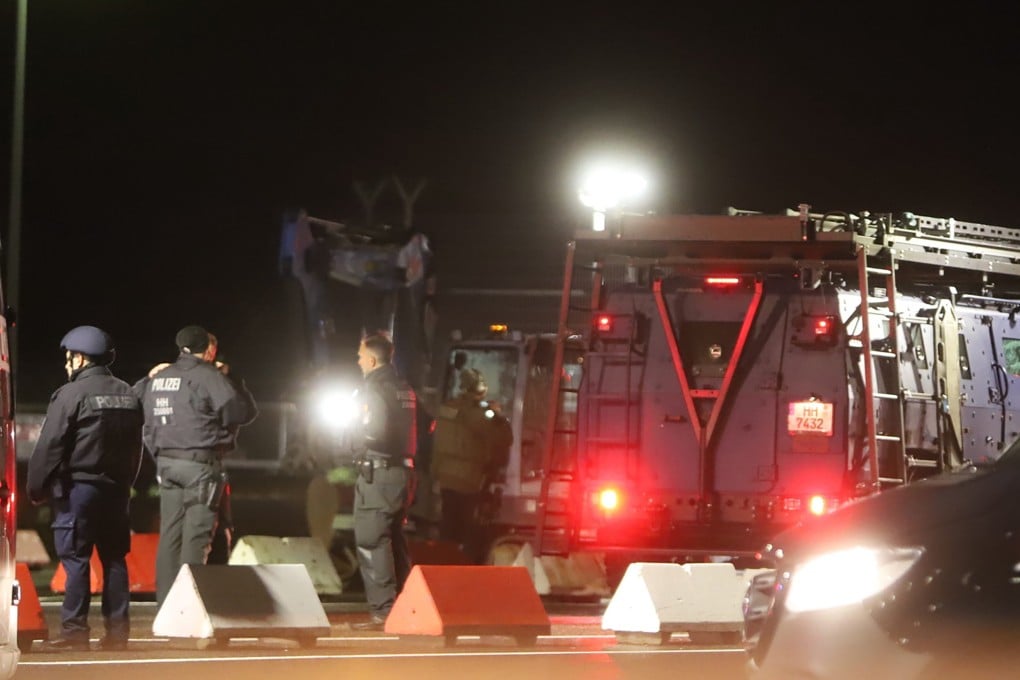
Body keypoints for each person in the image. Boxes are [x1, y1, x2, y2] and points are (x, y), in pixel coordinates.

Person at [26, 326, 143, 651]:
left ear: (80, 358)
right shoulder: (128, 394)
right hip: (117, 491)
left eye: (69, 358)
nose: (67, 365)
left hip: (79, 490)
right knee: (115, 559)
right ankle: (118, 636)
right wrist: (125, 484)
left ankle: (75, 634)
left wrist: (36, 488)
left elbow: (50, 446)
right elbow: (137, 448)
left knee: (76, 558)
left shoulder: (71, 394)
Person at [135, 325, 257, 608]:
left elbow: (142, 413)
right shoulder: (209, 376)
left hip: (166, 465)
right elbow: (241, 411)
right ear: (210, 350)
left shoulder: (160, 377)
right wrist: (233, 378)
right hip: (200, 466)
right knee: (197, 537)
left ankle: (167, 606)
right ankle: (189, 608)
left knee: (170, 537)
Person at [349, 332, 417, 630]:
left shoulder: (371, 390)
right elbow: (427, 423)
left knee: (372, 540)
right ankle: (408, 605)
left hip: (378, 473)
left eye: (361, 355)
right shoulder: (406, 388)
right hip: (404, 473)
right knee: (395, 540)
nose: (358, 360)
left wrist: (352, 438)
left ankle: (384, 611)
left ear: (372, 359)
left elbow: (373, 430)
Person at [430, 368, 512, 561]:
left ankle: (443, 563)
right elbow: (504, 438)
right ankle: (466, 566)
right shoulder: (479, 414)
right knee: (470, 529)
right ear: (479, 387)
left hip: (445, 477)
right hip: (469, 479)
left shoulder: (447, 407)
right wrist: (498, 415)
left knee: (448, 526)